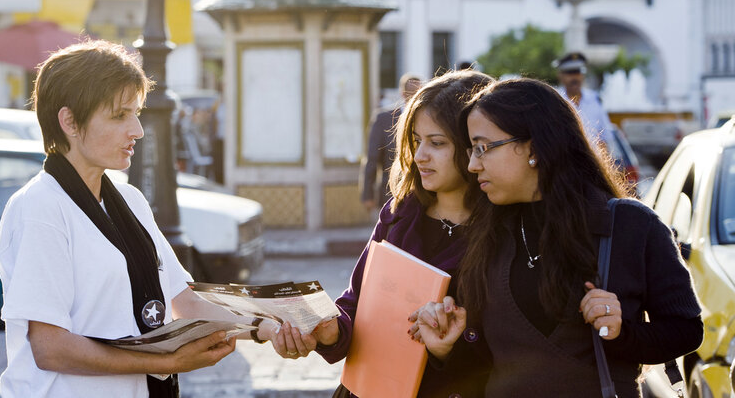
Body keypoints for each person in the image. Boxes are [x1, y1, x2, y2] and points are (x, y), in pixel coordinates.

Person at [0, 40, 279, 398]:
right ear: (69, 121)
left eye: (136, 113)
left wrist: (267, 327)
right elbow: (51, 348)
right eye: (119, 115)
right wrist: (166, 362)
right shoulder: (41, 208)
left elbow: (185, 301)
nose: (137, 130)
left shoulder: (129, 200)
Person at [413, 78, 703, 397]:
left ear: (534, 148)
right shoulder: (486, 234)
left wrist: (621, 333)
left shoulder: (629, 224)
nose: (471, 165)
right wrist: (446, 346)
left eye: (483, 148)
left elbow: (686, 331)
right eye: (471, 150)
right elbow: (485, 366)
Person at [272, 69, 494, 397]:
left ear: (474, 146)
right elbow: (356, 303)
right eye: (416, 141)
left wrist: (449, 349)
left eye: (437, 143)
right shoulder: (400, 213)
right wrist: (329, 331)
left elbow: (510, 353)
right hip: (365, 388)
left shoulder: (503, 230)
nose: (420, 156)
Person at [360, 73, 421, 212]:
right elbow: (372, 157)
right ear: (403, 94)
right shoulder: (384, 119)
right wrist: (368, 194)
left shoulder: (427, 119)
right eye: (412, 92)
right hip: (390, 194)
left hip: (421, 195)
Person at [554, 51, 614, 149]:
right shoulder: (554, 100)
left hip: (592, 157)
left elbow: (604, 138)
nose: (574, 78)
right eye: (569, 73)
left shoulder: (594, 100)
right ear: (560, 75)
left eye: (578, 72)